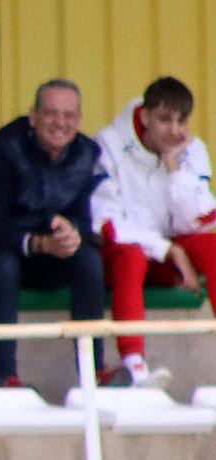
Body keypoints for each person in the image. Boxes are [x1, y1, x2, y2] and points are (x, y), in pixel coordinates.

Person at [0, 79, 110, 389]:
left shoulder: (87, 153)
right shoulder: (1, 150)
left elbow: (86, 218)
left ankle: (95, 373)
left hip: (41, 254)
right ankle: (6, 377)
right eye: (51, 114)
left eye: (69, 116)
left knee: (88, 261)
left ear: (79, 120)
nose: (60, 123)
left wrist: (72, 234)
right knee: (4, 266)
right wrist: (35, 242)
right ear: (32, 117)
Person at [92, 75, 216, 387]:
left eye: (181, 120)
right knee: (132, 255)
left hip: (163, 262)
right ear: (145, 116)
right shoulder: (108, 144)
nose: (175, 130)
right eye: (164, 119)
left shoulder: (190, 149)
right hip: (119, 258)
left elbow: (200, 221)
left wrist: (174, 167)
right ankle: (134, 366)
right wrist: (168, 249)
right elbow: (107, 224)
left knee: (212, 245)